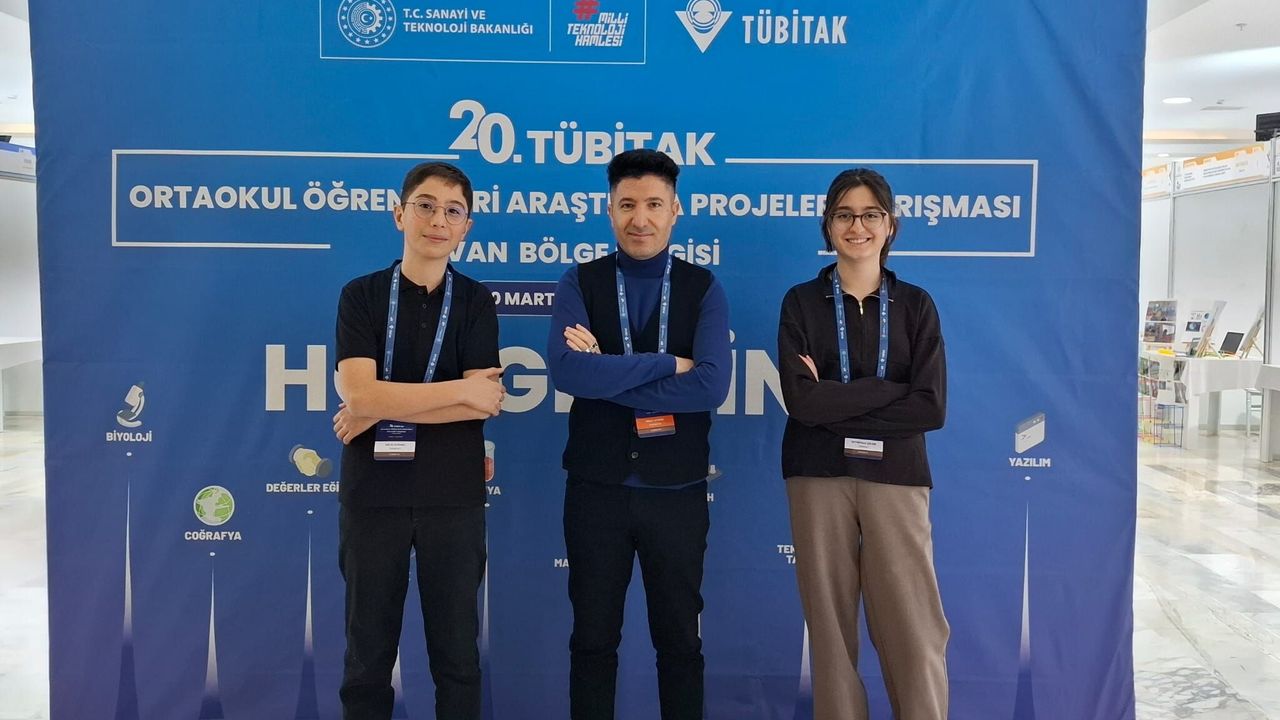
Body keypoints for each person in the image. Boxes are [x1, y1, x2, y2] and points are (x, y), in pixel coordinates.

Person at [547, 148, 732, 720]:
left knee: (680, 645)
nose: (640, 218)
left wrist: (608, 375)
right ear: (609, 211)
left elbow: (710, 386)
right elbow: (569, 373)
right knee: (592, 642)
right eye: (627, 205)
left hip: (676, 494)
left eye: (654, 204)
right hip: (595, 491)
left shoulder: (703, 288)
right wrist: (666, 364)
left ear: (676, 210)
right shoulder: (580, 282)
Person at [331, 161, 505, 720]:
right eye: (426, 206)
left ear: (466, 228)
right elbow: (359, 393)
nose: (438, 220)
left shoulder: (476, 302)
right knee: (366, 662)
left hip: (453, 498)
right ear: (399, 214)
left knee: (457, 661)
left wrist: (377, 407)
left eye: (453, 211)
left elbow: (485, 402)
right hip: (373, 496)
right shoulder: (361, 296)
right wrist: (456, 392)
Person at [777, 168, 949, 720]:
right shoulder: (801, 303)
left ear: (890, 225)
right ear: (827, 225)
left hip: (896, 476)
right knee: (828, 630)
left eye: (871, 214)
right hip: (816, 474)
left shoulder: (916, 305)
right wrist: (888, 389)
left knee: (913, 624)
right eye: (844, 215)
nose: (858, 226)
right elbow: (802, 402)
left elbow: (930, 407)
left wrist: (834, 396)